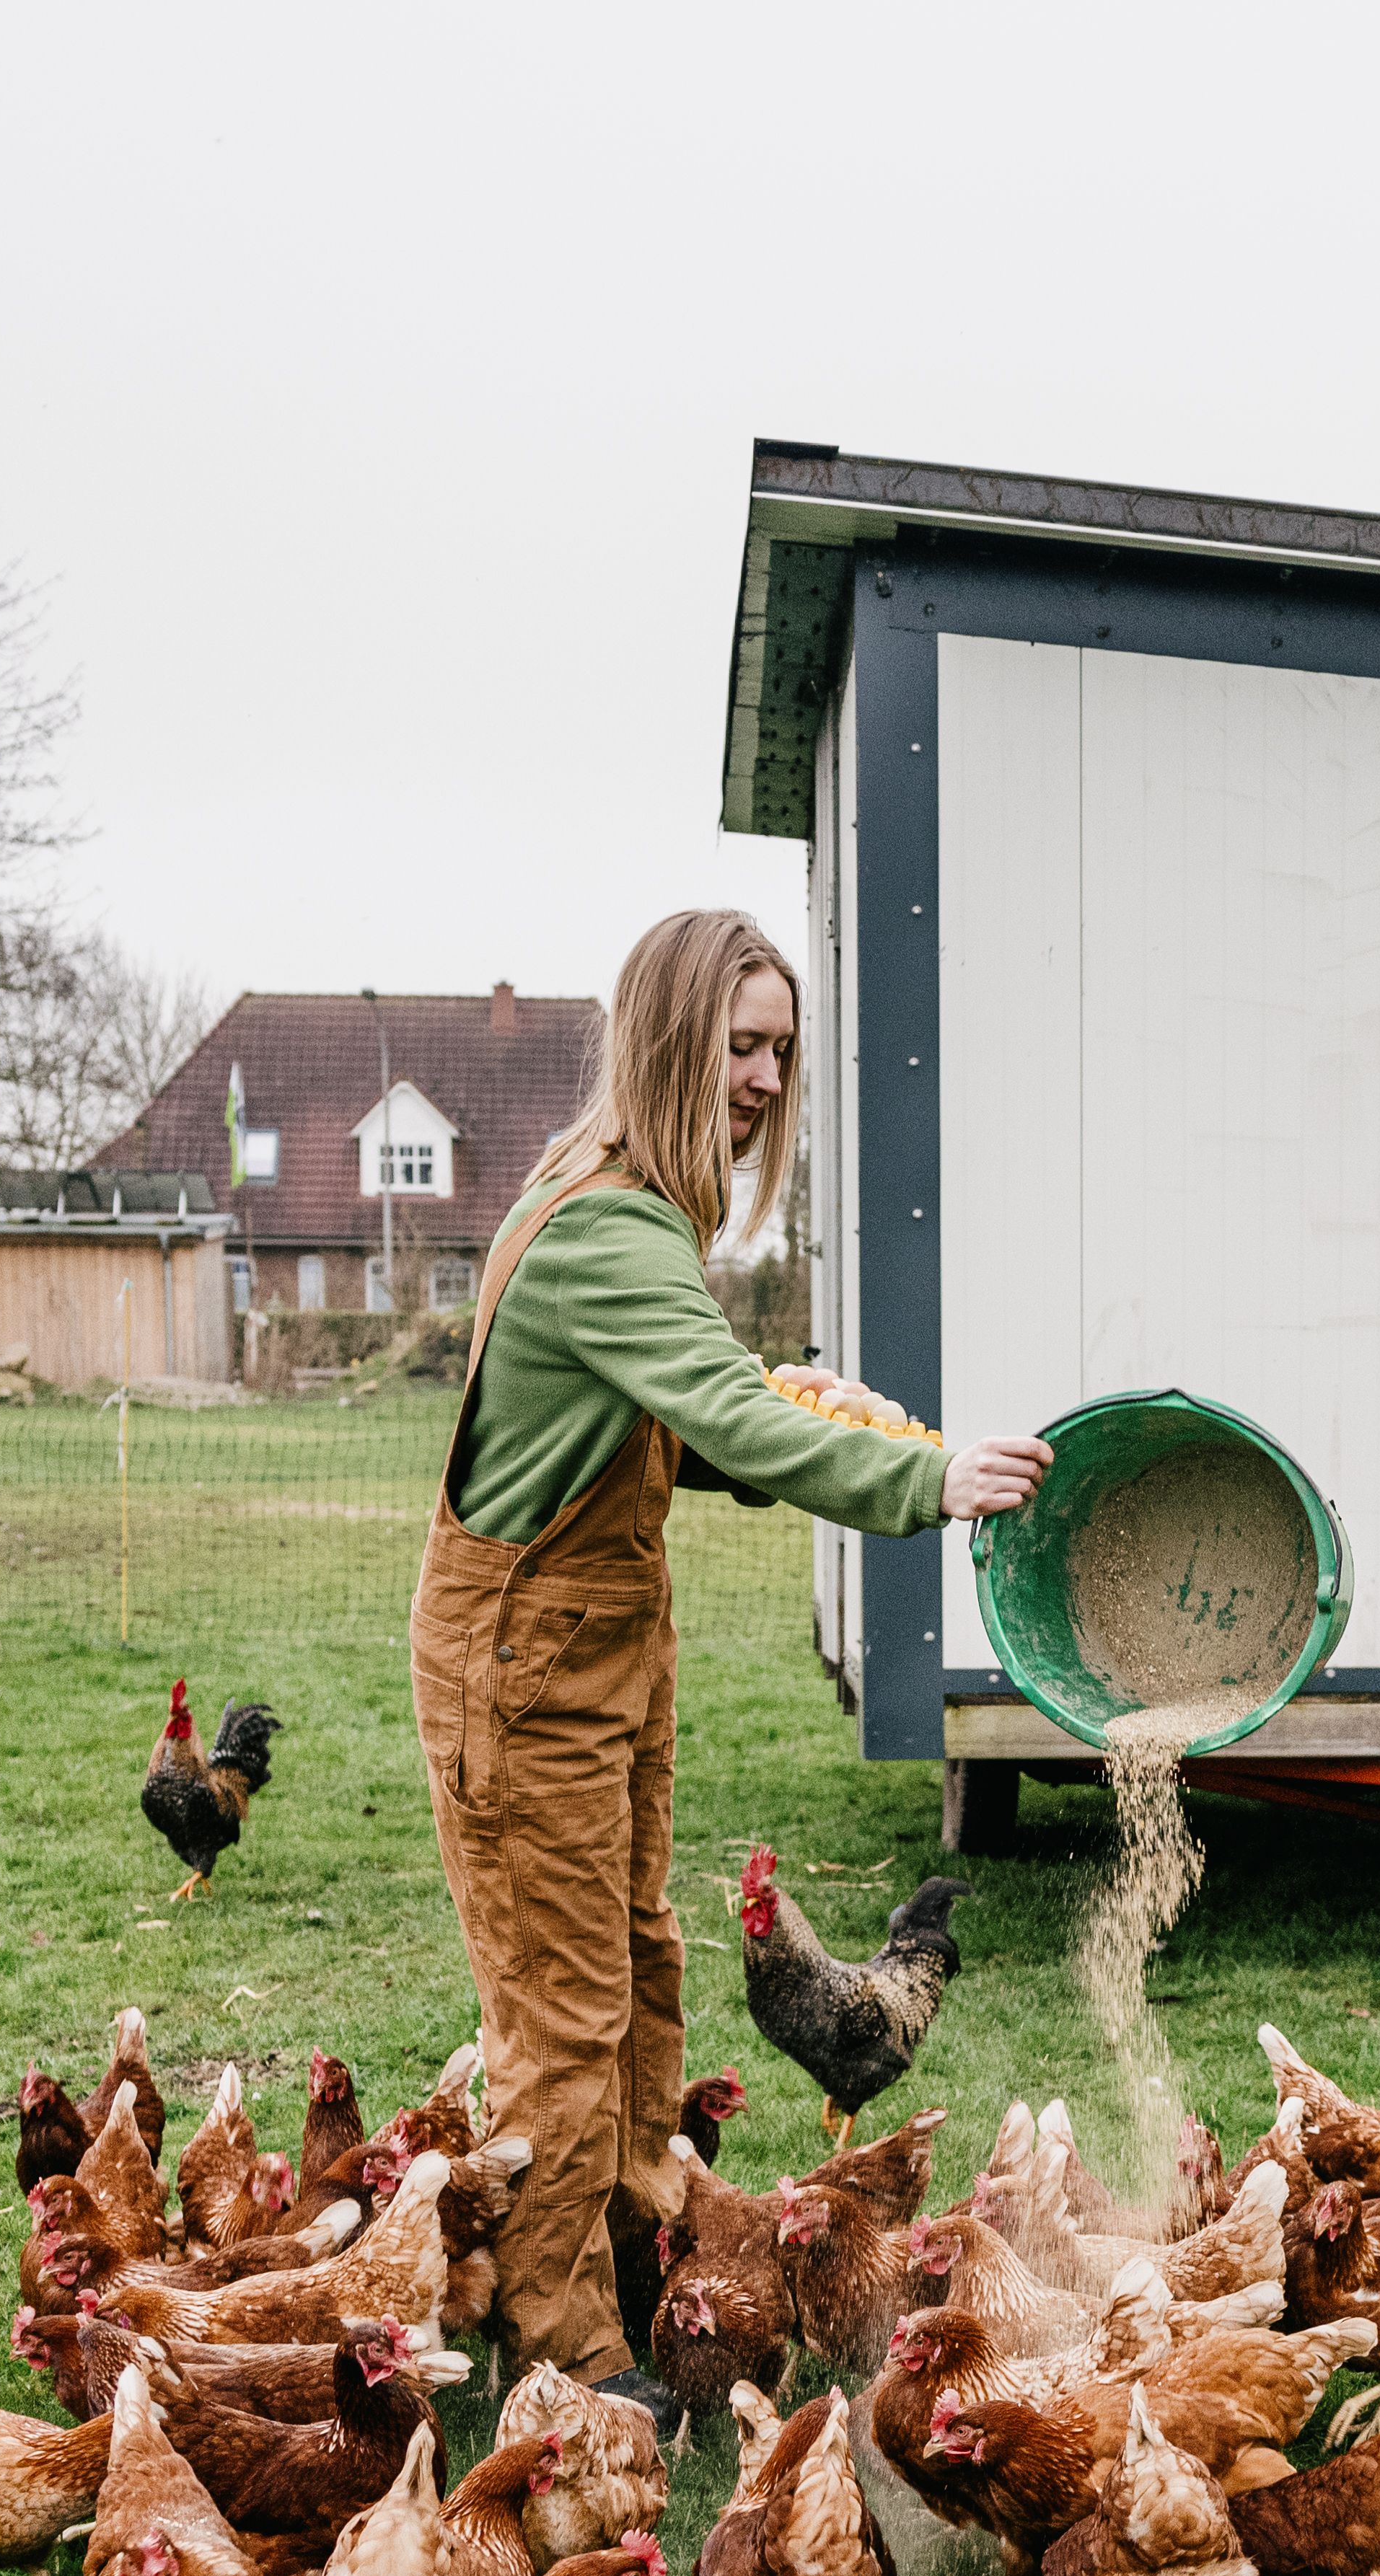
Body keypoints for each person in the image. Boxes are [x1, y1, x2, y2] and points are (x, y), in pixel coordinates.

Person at [410, 908, 1053, 2398]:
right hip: (532, 1659)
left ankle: (632, 2265)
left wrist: (762, 1409)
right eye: (738, 1042)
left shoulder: (624, 1207)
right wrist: (925, 1477)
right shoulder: (607, 1225)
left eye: (779, 1046)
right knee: (565, 2021)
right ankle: (558, 2358)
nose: (763, 1075)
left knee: (639, 1968)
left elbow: (670, 1420)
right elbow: (732, 1416)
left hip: (593, 1647)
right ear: (667, 1037)